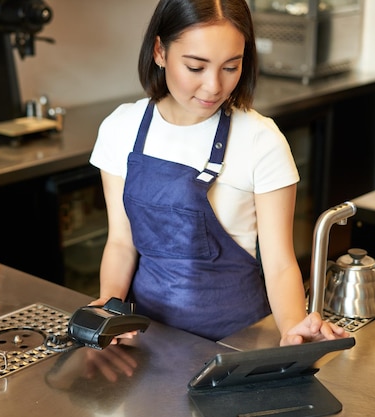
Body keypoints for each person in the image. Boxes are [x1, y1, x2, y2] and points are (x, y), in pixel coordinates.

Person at [89, 0, 348, 345]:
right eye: (196, 67)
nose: (213, 86)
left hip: (236, 341)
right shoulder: (121, 128)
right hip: (146, 338)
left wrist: (292, 329)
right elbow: (122, 243)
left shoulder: (261, 140)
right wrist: (110, 308)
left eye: (230, 67)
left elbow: (280, 264)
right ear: (160, 51)